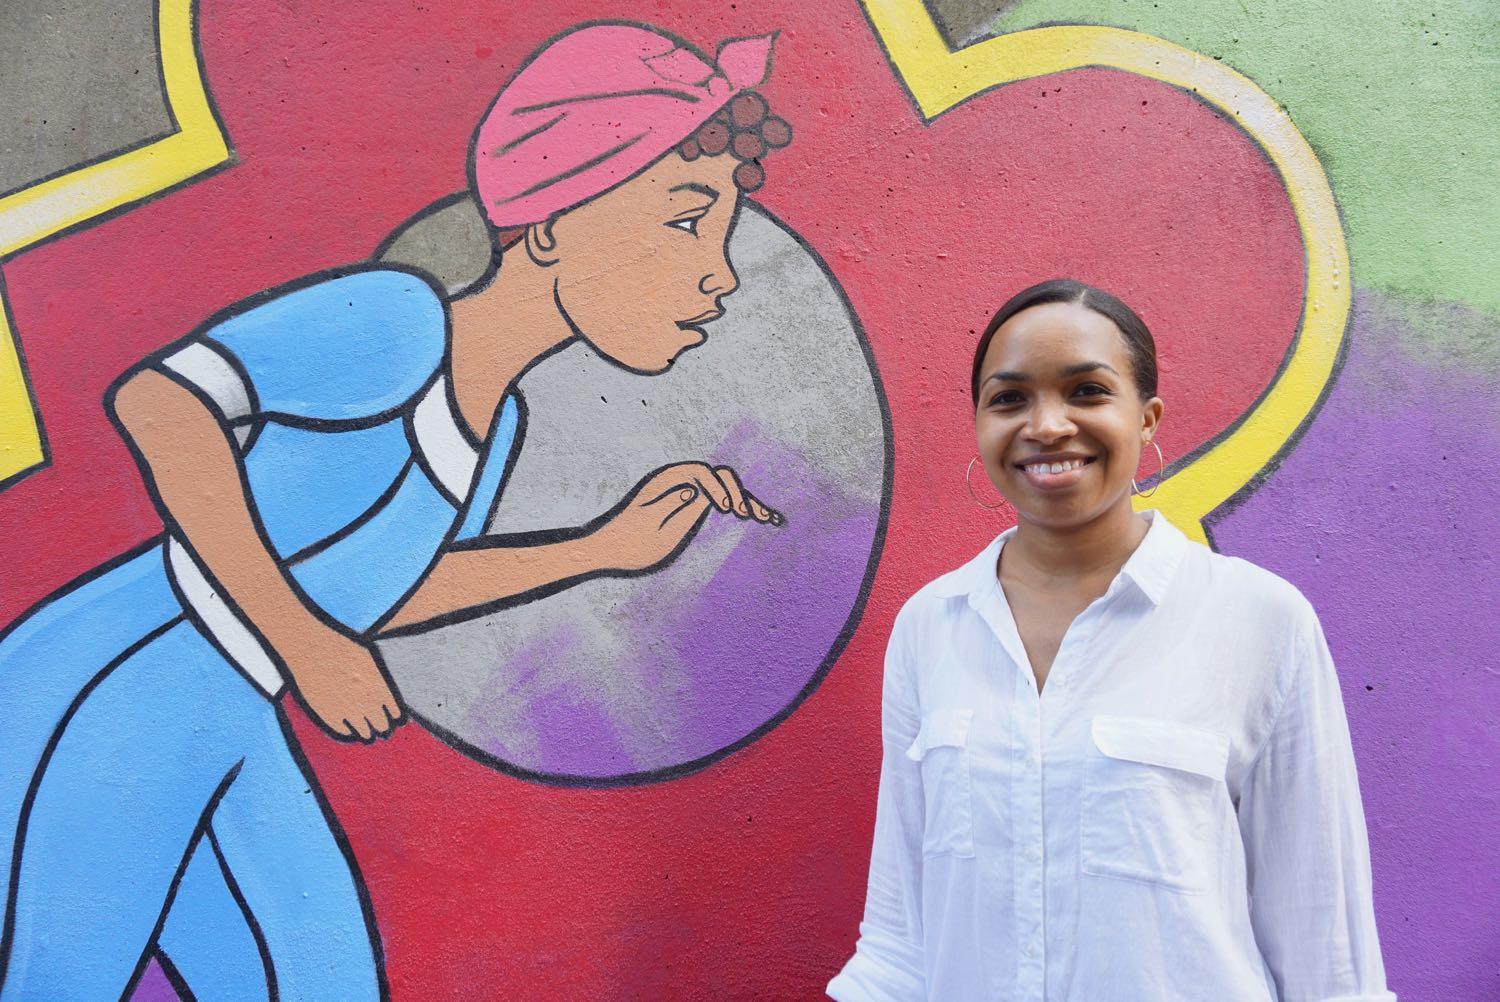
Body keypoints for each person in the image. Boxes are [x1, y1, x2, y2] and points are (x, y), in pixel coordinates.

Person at [0, 23, 789, 1000]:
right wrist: (306, 643)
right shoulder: (394, 322)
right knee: (60, 975)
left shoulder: (493, 425)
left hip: (232, 705)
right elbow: (162, 403)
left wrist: (600, 550)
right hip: (116, 684)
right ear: (548, 222)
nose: (718, 271)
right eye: (684, 219)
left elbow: (378, 589)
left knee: (321, 978)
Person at [828, 280, 1395, 1001]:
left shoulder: (1259, 620)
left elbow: (1327, 949)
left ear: (1147, 418)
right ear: (978, 426)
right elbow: (901, 929)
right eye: (1009, 399)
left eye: (1087, 391)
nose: (1048, 425)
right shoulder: (931, 627)